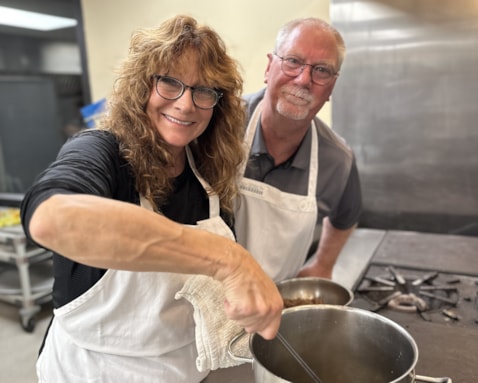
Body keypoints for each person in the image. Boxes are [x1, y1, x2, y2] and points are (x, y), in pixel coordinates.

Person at [20, 15, 282, 383]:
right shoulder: (101, 151)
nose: (186, 104)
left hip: (184, 370)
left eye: (204, 90)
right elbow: (52, 220)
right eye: (170, 82)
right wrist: (230, 260)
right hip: (97, 372)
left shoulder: (207, 174)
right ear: (143, 84)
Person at [234, 17, 362, 282]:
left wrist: (323, 266)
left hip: (277, 308)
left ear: (332, 87)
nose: (304, 80)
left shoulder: (337, 160)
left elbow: (346, 218)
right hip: (199, 302)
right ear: (269, 67)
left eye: (322, 70)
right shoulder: (219, 125)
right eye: (293, 61)